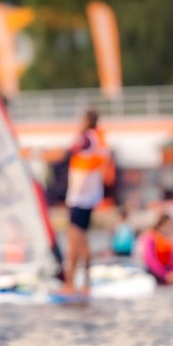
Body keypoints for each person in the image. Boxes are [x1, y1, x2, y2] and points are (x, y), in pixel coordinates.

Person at [61, 109, 109, 293]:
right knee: (81, 240)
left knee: (74, 242)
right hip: (89, 197)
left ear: (86, 121)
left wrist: (35, 153)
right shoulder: (99, 138)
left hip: (79, 197)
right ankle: (85, 283)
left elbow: (67, 153)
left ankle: (70, 284)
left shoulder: (87, 138)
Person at [142, 214, 173, 285]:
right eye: (169, 225)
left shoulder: (169, 238)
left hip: (168, 274)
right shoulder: (150, 237)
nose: (171, 228)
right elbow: (150, 260)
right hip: (154, 273)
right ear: (162, 224)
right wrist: (164, 275)